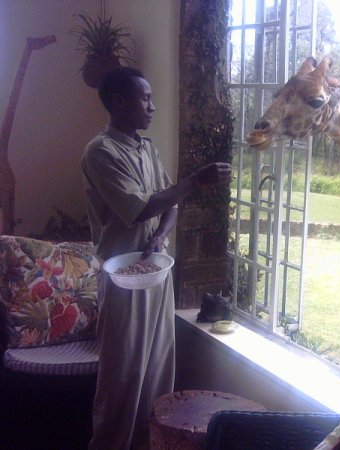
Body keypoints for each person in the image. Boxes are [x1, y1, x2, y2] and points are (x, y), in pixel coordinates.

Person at [81, 66, 231, 450]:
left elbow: (169, 203)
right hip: (122, 279)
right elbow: (142, 206)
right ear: (119, 102)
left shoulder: (146, 148)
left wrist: (161, 237)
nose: (152, 106)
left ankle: (153, 442)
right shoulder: (102, 152)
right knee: (123, 375)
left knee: (158, 368)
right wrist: (195, 180)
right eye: (144, 98)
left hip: (155, 272)